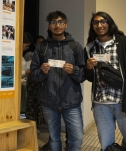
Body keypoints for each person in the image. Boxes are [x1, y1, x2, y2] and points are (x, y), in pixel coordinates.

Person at [84, 12, 126, 151]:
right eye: (96, 22)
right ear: (92, 26)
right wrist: (88, 68)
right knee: (107, 146)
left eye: (103, 21)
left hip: (123, 102)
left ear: (109, 23)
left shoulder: (123, 42)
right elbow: (89, 77)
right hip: (101, 104)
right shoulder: (89, 47)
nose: (100, 25)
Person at [30, 11, 85, 151]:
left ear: (65, 25)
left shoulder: (75, 46)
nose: (57, 25)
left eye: (60, 22)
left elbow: (83, 75)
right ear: (49, 26)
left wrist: (74, 71)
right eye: (53, 22)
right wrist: (41, 71)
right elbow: (34, 76)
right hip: (49, 102)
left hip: (71, 101)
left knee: (77, 138)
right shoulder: (42, 47)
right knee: (54, 139)